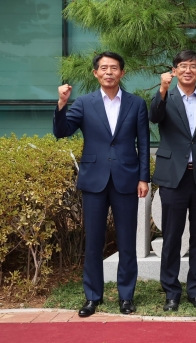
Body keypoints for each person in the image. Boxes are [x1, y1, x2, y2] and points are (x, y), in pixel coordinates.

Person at [53, 52, 149, 317]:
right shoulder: (84, 103)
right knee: (93, 241)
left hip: (127, 179)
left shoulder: (136, 103)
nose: (109, 72)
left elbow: (143, 142)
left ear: (122, 73)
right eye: (104, 68)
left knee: (127, 242)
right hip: (94, 180)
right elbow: (62, 132)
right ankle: (92, 297)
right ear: (95, 73)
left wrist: (144, 178)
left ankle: (126, 297)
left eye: (114, 68)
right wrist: (62, 103)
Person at [149, 50, 196, 312]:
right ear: (174, 71)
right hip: (173, 177)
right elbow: (154, 116)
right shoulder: (165, 97)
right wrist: (161, 89)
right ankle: (171, 291)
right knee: (171, 237)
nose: (187, 70)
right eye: (182, 66)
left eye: (192, 66)